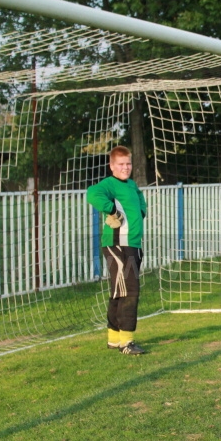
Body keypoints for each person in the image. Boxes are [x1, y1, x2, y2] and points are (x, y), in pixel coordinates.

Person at [86, 145, 148, 355]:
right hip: (117, 244)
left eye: (128, 163)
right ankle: (127, 342)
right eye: (121, 164)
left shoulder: (131, 185)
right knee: (130, 290)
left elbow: (140, 199)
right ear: (112, 166)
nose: (125, 167)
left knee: (118, 291)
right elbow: (92, 194)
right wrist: (111, 209)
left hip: (133, 244)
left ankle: (113, 338)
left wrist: (141, 211)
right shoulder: (109, 184)